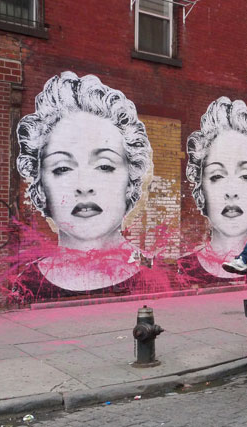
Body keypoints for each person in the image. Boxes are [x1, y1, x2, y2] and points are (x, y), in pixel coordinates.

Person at [13, 71, 161, 301]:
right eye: (62, 168)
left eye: (104, 166)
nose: (84, 186)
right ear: (40, 187)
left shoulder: (158, 280)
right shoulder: (26, 288)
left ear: (131, 181)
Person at [180, 96, 247, 282]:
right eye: (217, 176)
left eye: (246, 176)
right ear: (201, 188)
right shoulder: (182, 270)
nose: (231, 191)